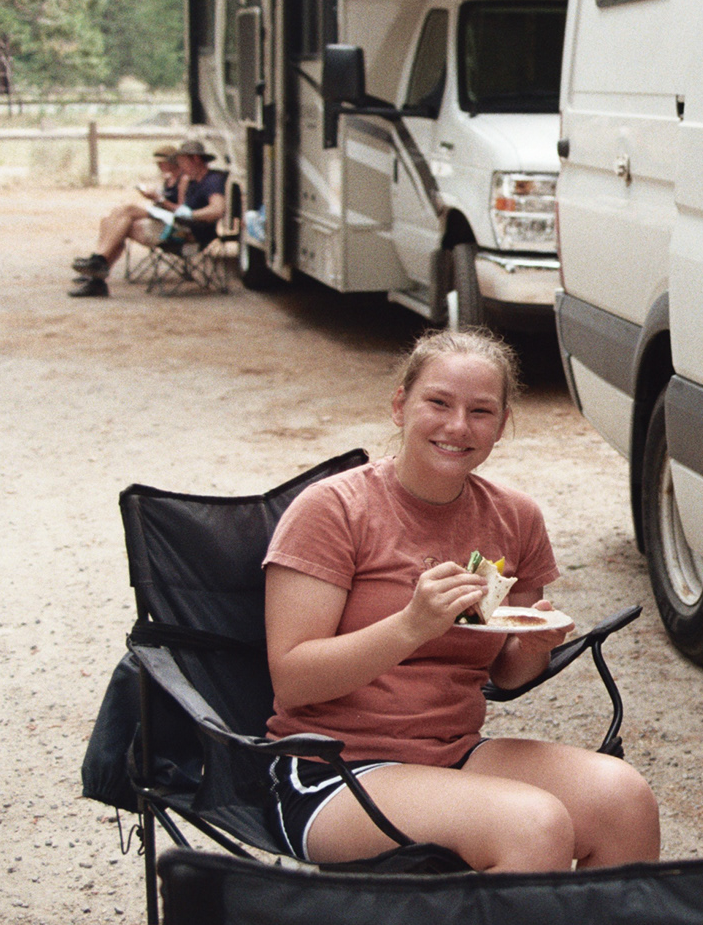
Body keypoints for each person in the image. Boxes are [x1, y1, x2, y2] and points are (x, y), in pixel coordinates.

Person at [261, 327, 661, 871]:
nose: (458, 426)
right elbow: (293, 679)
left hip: (454, 752)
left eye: (480, 411)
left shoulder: (515, 518)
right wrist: (411, 626)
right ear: (400, 406)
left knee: (624, 799)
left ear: (502, 424)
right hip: (332, 767)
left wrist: (533, 646)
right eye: (439, 403)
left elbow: (510, 676)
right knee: (532, 825)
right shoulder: (333, 509)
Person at [69, 140, 228, 297]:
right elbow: (180, 208)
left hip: (191, 234)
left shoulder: (212, 180)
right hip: (180, 225)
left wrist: (189, 215)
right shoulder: (192, 181)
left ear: (196, 159)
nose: (181, 166)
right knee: (117, 220)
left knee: (126, 215)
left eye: (182, 162)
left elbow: (217, 209)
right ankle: (98, 268)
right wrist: (169, 206)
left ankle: (97, 270)